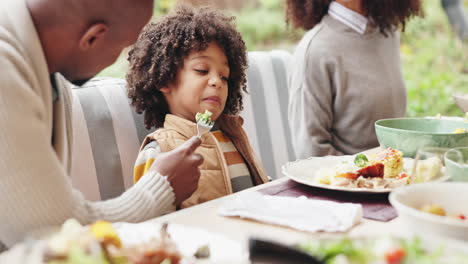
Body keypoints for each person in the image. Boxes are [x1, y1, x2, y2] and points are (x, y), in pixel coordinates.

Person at [0, 0, 204, 249]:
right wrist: (161, 187)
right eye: (122, 46)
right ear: (93, 37)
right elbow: (52, 231)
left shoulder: (51, 74)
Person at [126, 5, 269, 208]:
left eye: (224, 76)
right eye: (202, 70)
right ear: (164, 79)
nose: (216, 82)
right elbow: (148, 216)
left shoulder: (233, 135)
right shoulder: (159, 151)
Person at [286, 0, 422, 158]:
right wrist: (371, 175)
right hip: (351, 179)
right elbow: (311, 152)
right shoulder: (315, 52)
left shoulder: (386, 32)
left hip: (399, 172)